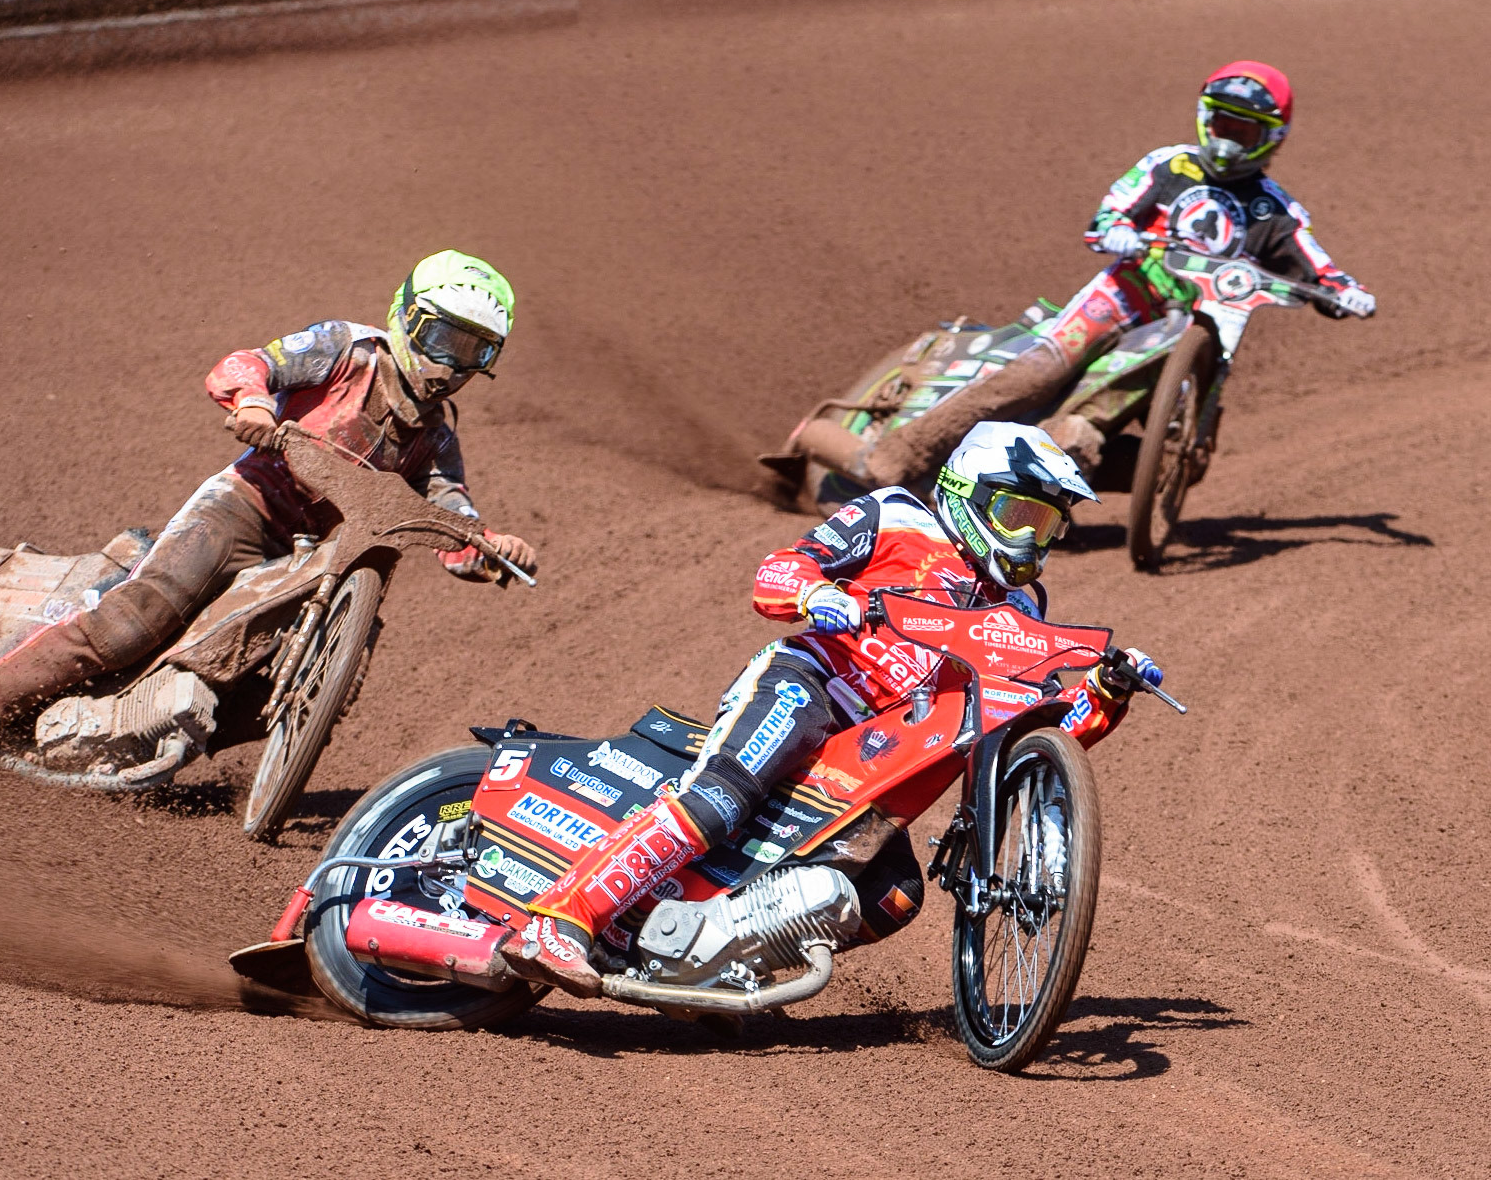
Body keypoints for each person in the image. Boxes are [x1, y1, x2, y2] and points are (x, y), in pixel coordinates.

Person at [501, 422, 1161, 995]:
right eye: (1021, 516)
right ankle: (562, 916)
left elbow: (1029, 730)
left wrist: (1103, 693)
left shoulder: (1022, 608)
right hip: (813, 686)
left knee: (892, 896)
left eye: (1046, 526)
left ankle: (710, 964)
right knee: (719, 799)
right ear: (973, 494)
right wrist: (819, 593)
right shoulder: (897, 515)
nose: (1031, 540)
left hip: (882, 756)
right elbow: (777, 571)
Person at [0, 250, 537, 761]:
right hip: (246, 509)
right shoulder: (347, 350)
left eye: (476, 352)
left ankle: (148, 739)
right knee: (135, 622)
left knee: (323, 684)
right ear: (408, 318)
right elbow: (245, 364)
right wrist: (254, 402)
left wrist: (488, 549)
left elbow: (449, 516)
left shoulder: (437, 435)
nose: (453, 366)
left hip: (317, 560)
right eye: (445, 341)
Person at [839, 60, 1376, 487]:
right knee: (1036, 377)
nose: (1228, 140)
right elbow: (1108, 216)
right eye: (1221, 123)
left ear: (1272, 136)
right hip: (1121, 298)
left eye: (1244, 129)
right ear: (1203, 116)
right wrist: (1117, 230)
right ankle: (892, 462)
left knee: (1109, 438)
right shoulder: (1169, 166)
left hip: (1192, 333)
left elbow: (1316, 266)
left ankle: (1026, 499)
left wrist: (1343, 292)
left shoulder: (1274, 211)